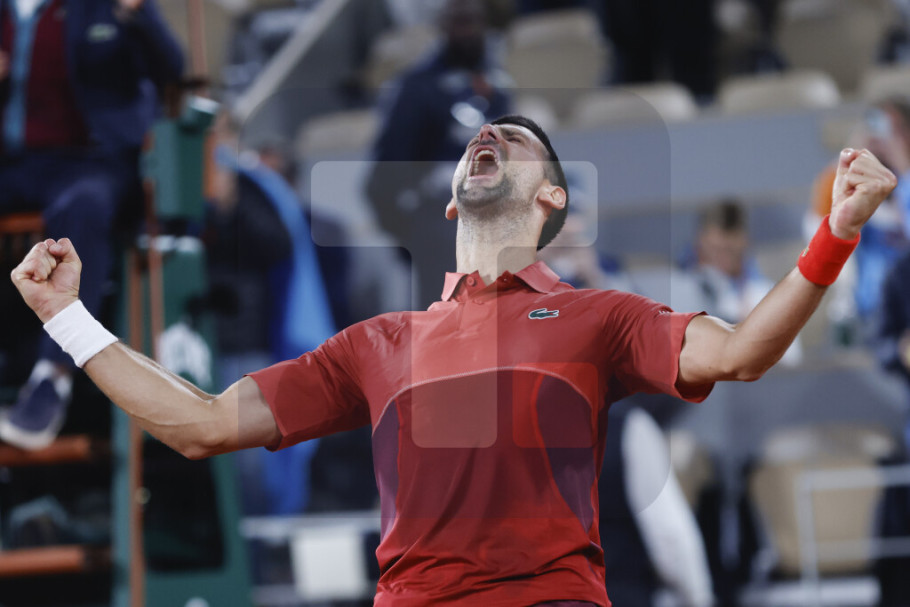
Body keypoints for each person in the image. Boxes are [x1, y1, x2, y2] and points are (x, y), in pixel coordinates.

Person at [9, 115, 896, 606]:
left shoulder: (601, 317)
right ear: (448, 204)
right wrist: (68, 318)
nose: (487, 137)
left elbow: (741, 352)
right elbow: (200, 424)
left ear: (550, 196)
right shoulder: (376, 344)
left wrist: (836, 234)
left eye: (513, 137)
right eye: (479, 137)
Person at [0, 0, 184, 449]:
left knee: (80, 209)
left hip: (90, 159)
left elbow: (170, 69)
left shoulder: (102, 6)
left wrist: (138, 15)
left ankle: (52, 380)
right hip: (12, 163)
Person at [365, 0, 510, 310]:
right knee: (449, 326)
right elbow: (384, 176)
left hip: (499, 230)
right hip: (443, 228)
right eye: (459, 21)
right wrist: (415, 234)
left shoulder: (498, 85)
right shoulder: (418, 89)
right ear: (443, 25)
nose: (468, 31)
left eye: (473, 20)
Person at [672, 200, 802, 365]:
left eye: (730, 249)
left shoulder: (766, 294)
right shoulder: (679, 288)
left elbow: (789, 362)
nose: (723, 256)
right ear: (701, 241)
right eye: (716, 249)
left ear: (745, 240)